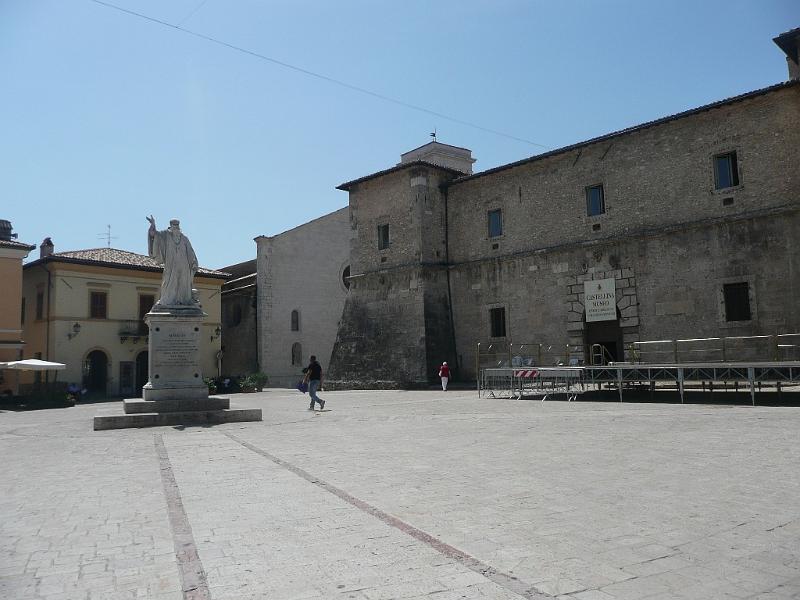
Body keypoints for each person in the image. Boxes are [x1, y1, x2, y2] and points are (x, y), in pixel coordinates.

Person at [146, 215, 199, 307]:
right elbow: (153, 234)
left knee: (183, 284)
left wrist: (194, 262)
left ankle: (183, 301)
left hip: (184, 266)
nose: (176, 228)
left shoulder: (184, 239)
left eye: (177, 226)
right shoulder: (165, 235)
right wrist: (153, 225)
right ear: (171, 227)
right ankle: (167, 301)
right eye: (174, 226)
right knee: (169, 283)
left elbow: (190, 252)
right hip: (171, 265)